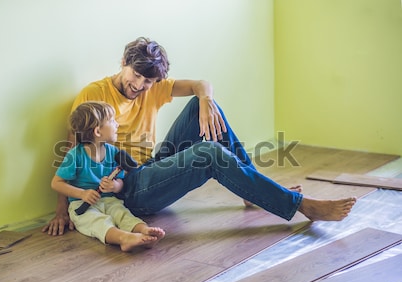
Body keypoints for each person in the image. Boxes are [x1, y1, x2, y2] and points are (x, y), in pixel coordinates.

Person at [43, 36, 357, 236]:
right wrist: (62, 212)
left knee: (200, 105)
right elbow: (70, 153)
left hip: (148, 167)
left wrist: (206, 101)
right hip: (127, 189)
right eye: (135, 75)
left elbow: (201, 84)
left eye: (148, 81)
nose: (139, 85)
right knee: (209, 153)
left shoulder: (154, 87)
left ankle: (251, 191)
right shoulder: (94, 95)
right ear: (123, 64)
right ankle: (300, 205)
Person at [51, 101, 165, 251]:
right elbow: (57, 183)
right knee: (97, 222)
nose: (117, 124)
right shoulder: (75, 155)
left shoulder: (113, 152)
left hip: (110, 200)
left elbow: (121, 180)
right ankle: (123, 238)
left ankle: (143, 230)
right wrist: (82, 193)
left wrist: (116, 186)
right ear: (97, 132)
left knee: (123, 214)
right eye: (112, 120)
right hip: (81, 205)